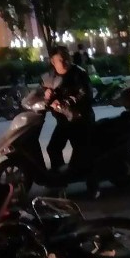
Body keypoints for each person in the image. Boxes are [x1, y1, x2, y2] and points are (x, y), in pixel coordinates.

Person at [26, 46, 96, 195]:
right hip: (64, 120)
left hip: (80, 119)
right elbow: (40, 90)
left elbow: (85, 94)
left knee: (82, 152)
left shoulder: (79, 74)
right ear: (53, 62)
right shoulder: (50, 77)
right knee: (53, 148)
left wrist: (67, 101)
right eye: (60, 60)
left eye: (66, 58)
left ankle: (93, 185)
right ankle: (60, 181)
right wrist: (44, 94)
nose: (64, 62)